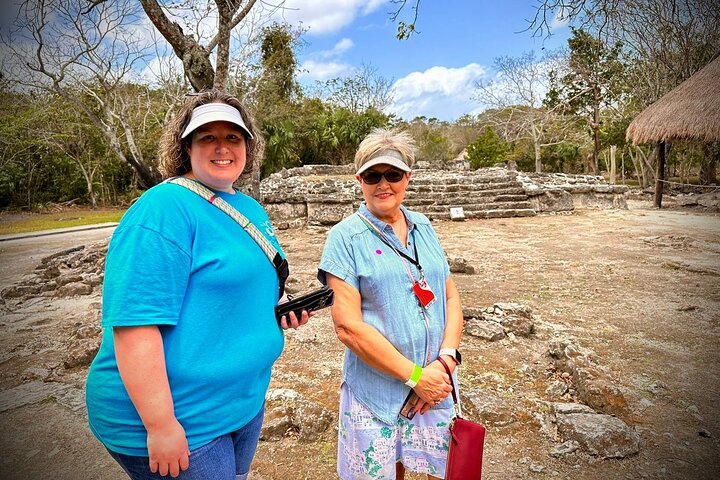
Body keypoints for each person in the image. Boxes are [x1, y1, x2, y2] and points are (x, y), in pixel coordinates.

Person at [85, 90, 309, 480]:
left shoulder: (249, 207)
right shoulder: (162, 209)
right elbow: (134, 325)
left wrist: (279, 301)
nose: (222, 147)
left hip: (242, 401)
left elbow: (248, 279)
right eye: (208, 137)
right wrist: (160, 425)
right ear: (186, 146)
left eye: (233, 137)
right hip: (183, 418)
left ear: (248, 146)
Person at [318, 128, 464, 479]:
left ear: (407, 177)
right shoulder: (345, 238)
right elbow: (348, 327)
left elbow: (449, 295)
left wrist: (446, 362)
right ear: (359, 180)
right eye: (373, 175)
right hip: (378, 392)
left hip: (436, 382)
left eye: (393, 174)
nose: (383, 184)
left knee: (441, 469)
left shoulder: (423, 226)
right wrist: (415, 376)